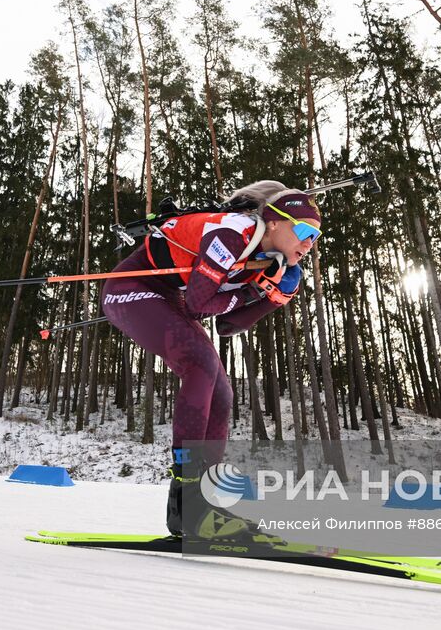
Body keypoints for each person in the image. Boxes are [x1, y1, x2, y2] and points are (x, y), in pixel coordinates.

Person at [101, 181, 320, 540]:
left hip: (168, 297)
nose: (309, 244)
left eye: (316, 238)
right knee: (200, 368)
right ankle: (187, 499)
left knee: (221, 393)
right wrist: (251, 290)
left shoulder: (267, 261)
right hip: (130, 289)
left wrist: (272, 297)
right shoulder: (235, 232)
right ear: (276, 223)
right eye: (306, 232)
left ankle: (203, 501)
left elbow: (228, 325)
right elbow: (200, 305)